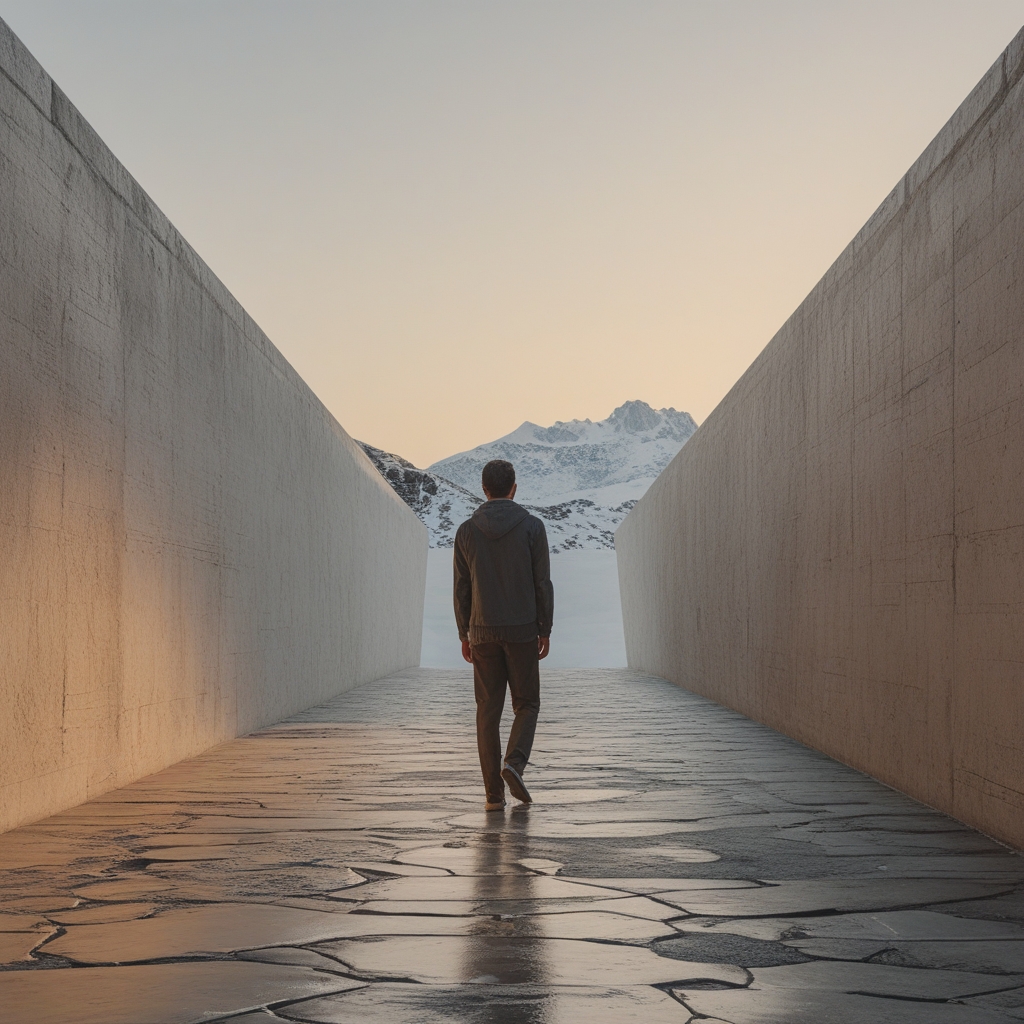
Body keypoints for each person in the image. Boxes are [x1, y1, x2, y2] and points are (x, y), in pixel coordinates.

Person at [454, 459, 553, 810]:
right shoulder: (532, 527)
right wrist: (545, 628)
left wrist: (464, 632)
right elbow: (541, 582)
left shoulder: (466, 531)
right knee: (527, 703)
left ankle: (493, 797)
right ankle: (514, 763)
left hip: (481, 632)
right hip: (523, 631)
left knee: (487, 710)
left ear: (485, 489)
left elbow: (462, 588)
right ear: (514, 488)